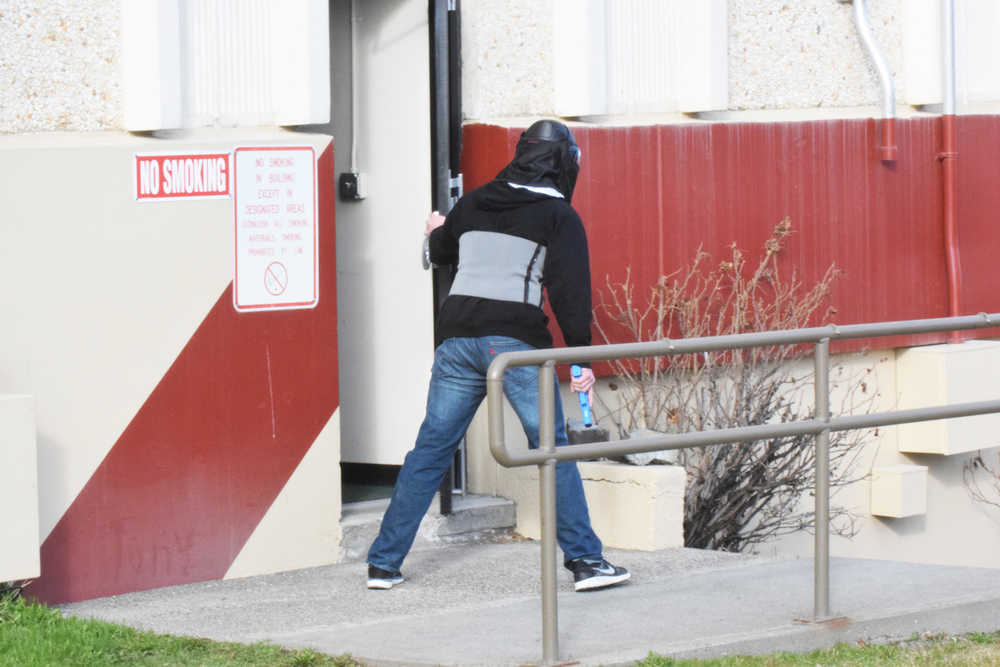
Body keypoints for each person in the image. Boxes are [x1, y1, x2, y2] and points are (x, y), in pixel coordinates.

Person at [366, 119, 630, 593]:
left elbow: (441, 249)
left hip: (456, 341)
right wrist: (583, 361)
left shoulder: (474, 201)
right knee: (552, 449)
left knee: (430, 450)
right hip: (514, 345)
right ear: (564, 164)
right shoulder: (560, 218)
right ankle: (587, 562)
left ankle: (383, 564)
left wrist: (436, 230)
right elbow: (571, 296)